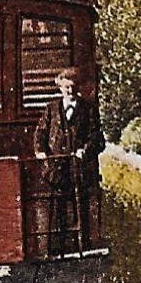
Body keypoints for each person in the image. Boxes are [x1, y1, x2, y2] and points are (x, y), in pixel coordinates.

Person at [34, 68, 104, 251]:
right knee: (57, 208)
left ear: (78, 87)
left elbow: (97, 139)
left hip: (78, 168)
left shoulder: (88, 110)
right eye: (65, 87)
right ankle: (56, 249)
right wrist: (40, 151)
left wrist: (84, 151)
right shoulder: (51, 109)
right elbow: (40, 133)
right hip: (56, 169)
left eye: (72, 87)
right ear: (60, 88)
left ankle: (83, 247)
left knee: (80, 207)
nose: (69, 90)